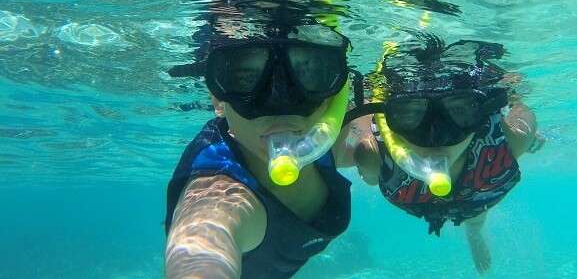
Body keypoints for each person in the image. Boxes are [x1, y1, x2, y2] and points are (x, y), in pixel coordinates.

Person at [164, 17, 356, 279]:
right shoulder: (217, 194)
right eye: (245, 78)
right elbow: (202, 251)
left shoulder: (332, 139)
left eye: (308, 74)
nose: (280, 104)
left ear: (334, 94)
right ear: (217, 100)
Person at [345, 35, 544, 275]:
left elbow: (523, 114)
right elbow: (367, 159)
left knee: (476, 217)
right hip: (429, 199)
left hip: (477, 198)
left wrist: (517, 103)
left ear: (478, 116)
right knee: (478, 202)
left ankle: (474, 232)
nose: (435, 137)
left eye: (459, 111)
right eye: (409, 114)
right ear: (391, 119)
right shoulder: (370, 155)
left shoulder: (506, 142)